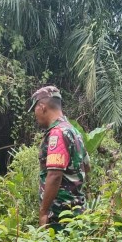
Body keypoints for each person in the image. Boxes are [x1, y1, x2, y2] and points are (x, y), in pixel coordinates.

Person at [27, 85, 90, 228]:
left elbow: (55, 175)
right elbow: (87, 167)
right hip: (77, 212)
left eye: (34, 109)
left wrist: (43, 212)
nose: (34, 114)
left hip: (60, 215)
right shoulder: (74, 132)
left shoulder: (57, 134)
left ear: (42, 107)